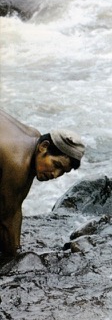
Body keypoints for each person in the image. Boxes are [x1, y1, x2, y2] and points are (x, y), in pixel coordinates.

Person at [0, 109, 85, 257]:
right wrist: (14, 262)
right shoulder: (17, 163)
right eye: (56, 165)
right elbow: (5, 218)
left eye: (62, 172)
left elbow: (15, 206)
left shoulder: (33, 139)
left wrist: (17, 248)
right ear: (44, 147)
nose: (55, 174)